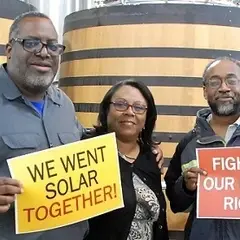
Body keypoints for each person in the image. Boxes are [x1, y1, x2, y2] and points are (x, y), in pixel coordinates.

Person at [0, 11, 164, 240]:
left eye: (52, 46)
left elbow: (87, 149)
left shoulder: (63, 104)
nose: (44, 52)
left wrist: (144, 147)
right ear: (9, 49)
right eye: (32, 43)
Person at [164, 56, 240, 240]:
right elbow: (175, 203)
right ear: (205, 91)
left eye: (231, 80)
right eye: (214, 82)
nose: (224, 88)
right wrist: (186, 186)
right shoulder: (188, 143)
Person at [85, 79, 169, 240]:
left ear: (146, 119)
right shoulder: (87, 153)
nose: (130, 112)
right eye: (120, 104)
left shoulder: (151, 158)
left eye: (138, 107)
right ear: (106, 111)